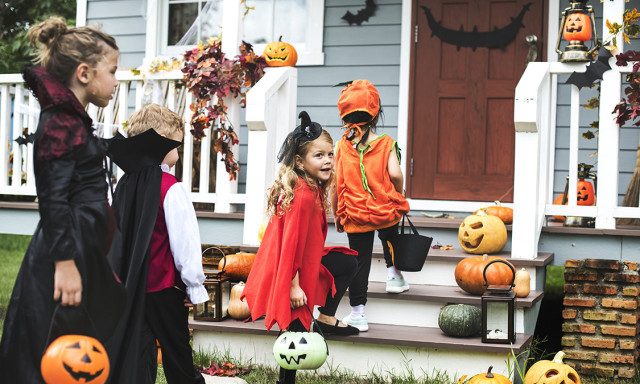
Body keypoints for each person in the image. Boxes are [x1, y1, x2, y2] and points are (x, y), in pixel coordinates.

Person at [0, 17, 126, 383]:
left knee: (80, 339)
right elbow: (53, 200)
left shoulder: (75, 120)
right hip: (65, 252)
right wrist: (65, 265)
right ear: (85, 73)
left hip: (82, 247)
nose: (117, 81)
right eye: (113, 71)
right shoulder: (60, 123)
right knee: (53, 347)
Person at [243, 111, 359, 384]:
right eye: (319, 155)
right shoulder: (303, 196)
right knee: (294, 337)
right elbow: (291, 245)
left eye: (330, 154)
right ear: (300, 161)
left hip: (306, 264)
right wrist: (294, 286)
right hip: (291, 272)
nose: (328, 160)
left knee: (347, 263)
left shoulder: (310, 186)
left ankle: (327, 318)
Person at [106, 104, 208, 384]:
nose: (179, 149)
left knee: (138, 350)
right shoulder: (171, 187)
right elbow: (184, 242)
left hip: (131, 286)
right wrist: (194, 284)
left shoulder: (124, 184)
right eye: (176, 143)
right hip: (164, 288)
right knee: (176, 350)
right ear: (162, 140)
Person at [331, 79, 411, 333]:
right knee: (390, 238)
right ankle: (394, 276)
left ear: (344, 115)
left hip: (355, 214)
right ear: (376, 114)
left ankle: (358, 313)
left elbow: (335, 184)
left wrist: (336, 213)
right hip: (385, 209)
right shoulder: (386, 143)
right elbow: (396, 174)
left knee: (360, 262)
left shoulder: (341, 146)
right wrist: (399, 192)